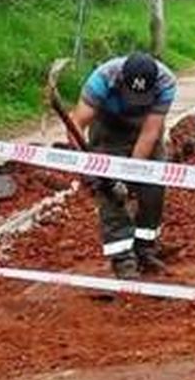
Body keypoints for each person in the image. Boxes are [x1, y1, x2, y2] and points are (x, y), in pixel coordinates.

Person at [70, 51, 177, 278]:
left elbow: (149, 133)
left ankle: (145, 249)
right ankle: (123, 261)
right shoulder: (102, 78)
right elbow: (76, 123)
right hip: (108, 129)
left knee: (153, 188)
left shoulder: (166, 82)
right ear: (121, 81)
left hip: (144, 128)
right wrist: (87, 166)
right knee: (110, 196)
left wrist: (129, 176)